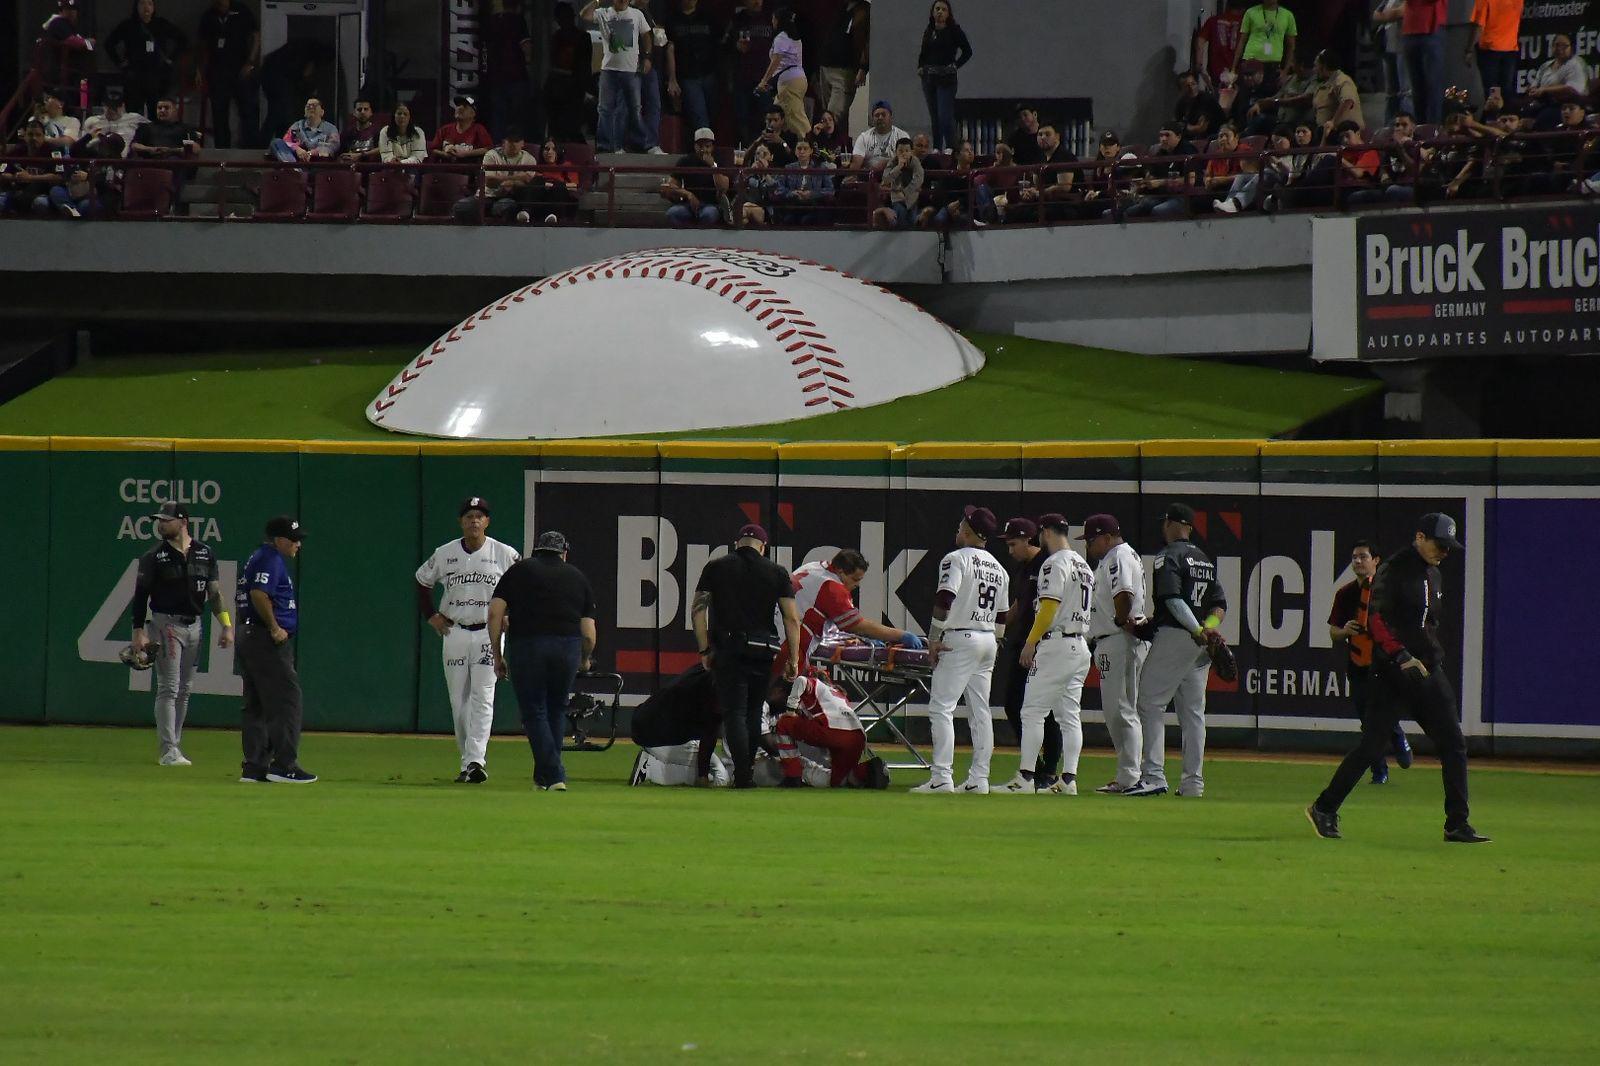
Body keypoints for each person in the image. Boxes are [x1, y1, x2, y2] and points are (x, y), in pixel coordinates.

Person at [1308, 514, 1489, 844]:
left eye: (1449, 547)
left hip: (1427, 671)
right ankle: (1324, 807)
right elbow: (1376, 620)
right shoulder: (1393, 570)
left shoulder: (1434, 573)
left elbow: (1427, 625)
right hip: (1392, 673)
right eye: (1439, 544)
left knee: (1453, 743)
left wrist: (1427, 656)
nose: (1444, 552)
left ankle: (1457, 823)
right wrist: (1401, 655)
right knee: (1372, 746)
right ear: (1419, 537)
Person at [416, 496, 521, 784]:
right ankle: (468, 761)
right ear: (461, 522)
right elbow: (421, 580)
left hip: (489, 632)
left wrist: (511, 613)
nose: (474, 520)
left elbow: (523, 584)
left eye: (479, 516)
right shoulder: (445, 553)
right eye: (469, 516)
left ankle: (476, 760)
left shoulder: (503, 553)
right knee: (458, 700)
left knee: (483, 697)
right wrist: (431, 615)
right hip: (456, 631)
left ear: (487, 522)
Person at [691, 522, 801, 789]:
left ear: (736, 544)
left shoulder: (715, 567)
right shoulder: (777, 572)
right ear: (763, 547)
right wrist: (793, 659)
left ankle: (742, 774)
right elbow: (791, 618)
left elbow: (698, 610)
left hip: (729, 649)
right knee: (753, 712)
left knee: (735, 713)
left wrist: (704, 648)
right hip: (764, 650)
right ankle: (747, 770)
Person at [1129, 502, 1226, 798]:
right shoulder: (1204, 560)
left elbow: (1172, 599)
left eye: (1165, 522)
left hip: (1177, 636)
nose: (1163, 528)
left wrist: (1197, 630)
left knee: (1150, 703)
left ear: (1172, 524)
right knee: (1193, 713)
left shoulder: (1169, 555)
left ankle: (1153, 775)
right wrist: (1209, 627)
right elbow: (1219, 605)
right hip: (1199, 645)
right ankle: (1193, 783)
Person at [489, 531, 597, 792]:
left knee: (534, 711)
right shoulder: (578, 577)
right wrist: (584, 659)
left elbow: (494, 613)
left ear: (536, 550)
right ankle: (543, 777)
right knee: (556, 709)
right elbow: (589, 632)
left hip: (528, 644)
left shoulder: (518, 571)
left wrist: (497, 654)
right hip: (567, 647)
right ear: (564, 553)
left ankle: (554, 774)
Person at [912, 505, 1009, 794]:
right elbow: (1002, 615)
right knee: (980, 712)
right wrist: (995, 643)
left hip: (960, 637)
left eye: (962, 523)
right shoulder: (999, 568)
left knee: (942, 708)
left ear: (967, 530)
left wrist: (933, 638)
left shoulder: (955, 558)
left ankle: (942, 777)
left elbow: (945, 598)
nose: (958, 526)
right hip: (988, 638)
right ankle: (980, 779)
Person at [128, 501, 232, 767]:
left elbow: (214, 594)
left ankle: (175, 745)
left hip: (195, 625)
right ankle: (168, 750)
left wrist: (226, 625)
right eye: (160, 520)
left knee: (185, 689)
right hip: (166, 624)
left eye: (167, 520)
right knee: (169, 687)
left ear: (183, 522)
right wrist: (138, 631)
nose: (161, 525)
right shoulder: (154, 556)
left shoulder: (204, 553)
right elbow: (140, 595)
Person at [997, 514, 1093, 795]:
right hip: (1079, 644)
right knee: (1069, 715)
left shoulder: (1054, 562)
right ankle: (1069, 779)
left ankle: (1026, 778)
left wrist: (1031, 642)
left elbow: (1049, 606)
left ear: (1046, 532)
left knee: (1032, 711)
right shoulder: (1083, 565)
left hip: (1057, 644)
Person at [235, 515, 314, 784]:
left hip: (250, 635)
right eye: (294, 539)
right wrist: (274, 627)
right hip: (264, 639)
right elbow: (258, 594)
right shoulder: (269, 558)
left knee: (257, 704)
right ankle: (284, 765)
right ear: (279, 540)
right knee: (286, 699)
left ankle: (255, 766)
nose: (298, 544)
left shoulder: (259, 557)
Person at [1328, 539, 1412, 786]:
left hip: (1384, 663)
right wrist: (1345, 631)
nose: (1358, 561)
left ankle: (1398, 737)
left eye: (1363, 556)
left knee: (1383, 711)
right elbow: (1333, 632)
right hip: (1358, 664)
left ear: (1376, 561)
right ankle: (1379, 771)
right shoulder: (1345, 594)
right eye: (1354, 557)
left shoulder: (1388, 591)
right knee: (1367, 721)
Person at [1081, 513, 1148, 795]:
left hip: (1119, 639)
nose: (1088, 545)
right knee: (1119, 709)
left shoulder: (1117, 556)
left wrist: (1121, 620)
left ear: (1107, 537)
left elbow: (1124, 594)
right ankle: (1128, 774)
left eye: (1091, 540)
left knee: (1121, 710)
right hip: (1114, 640)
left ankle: (1130, 777)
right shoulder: (1119, 556)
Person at [783, 549, 923, 674]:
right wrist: (900, 635)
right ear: (840, 571)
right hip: (791, 642)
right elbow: (858, 626)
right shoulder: (832, 588)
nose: (857, 585)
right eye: (855, 579)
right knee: (785, 690)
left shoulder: (815, 566)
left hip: (781, 630)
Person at [996, 518, 1059, 783]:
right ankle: (1038, 764)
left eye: (1013, 544)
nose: (1010, 551)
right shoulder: (1023, 569)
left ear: (1027, 539)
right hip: (1022, 642)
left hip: (1041, 644)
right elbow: (1018, 606)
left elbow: (1050, 607)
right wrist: (996, 627)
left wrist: (1034, 643)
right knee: (1013, 704)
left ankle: (1049, 769)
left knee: (1044, 709)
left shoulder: (1047, 563)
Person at [773, 673, 891, 789]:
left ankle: (793, 775)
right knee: (838, 781)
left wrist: (790, 709)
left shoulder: (817, 686)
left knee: (784, 723)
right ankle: (869, 770)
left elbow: (801, 681)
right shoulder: (839, 694)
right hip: (858, 737)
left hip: (832, 730)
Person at [627, 664, 730, 786]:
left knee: (707, 768)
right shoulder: (716, 685)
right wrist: (702, 775)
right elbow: (709, 735)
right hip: (657, 737)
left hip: (642, 722)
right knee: (721, 777)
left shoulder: (702, 670)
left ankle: (653, 760)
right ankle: (651, 767)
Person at [584, 0, 653, 153]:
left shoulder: (636, 14)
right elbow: (585, 15)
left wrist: (647, 56)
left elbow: (646, 35)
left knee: (634, 108)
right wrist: (597, 1)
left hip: (631, 70)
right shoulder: (604, 13)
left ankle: (643, 144)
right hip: (609, 70)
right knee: (604, 109)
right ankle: (605, 146)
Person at [106, 0, 187, 118]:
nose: (146, 7)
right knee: (133, 116)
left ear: (153, 7)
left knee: (156, 115)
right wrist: (120, 62)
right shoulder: (128, 25)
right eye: (142, 3)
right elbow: (109, 44)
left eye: (149, 3)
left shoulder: (161, 24)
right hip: (134, 76)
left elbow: (183, 40)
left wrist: (170, 60)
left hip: (156, 76)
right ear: (137, 6)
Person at [198, 0, 260, 150]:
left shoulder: (242, 10)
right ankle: (222, 152)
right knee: (219, 115)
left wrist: (251, 61)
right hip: (217, 71)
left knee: (248, 112)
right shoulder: (208, 15)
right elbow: (202, 45)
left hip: (240, 69)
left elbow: (256, 35)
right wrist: (200, 70)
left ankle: (250, 151)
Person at [918, 1, 973, 152]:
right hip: (929, 77)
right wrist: (920, 67)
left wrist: (955, 65)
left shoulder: (954, 30)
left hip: (946, 78)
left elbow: (968, 51)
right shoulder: (929, 30)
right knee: (934, 115)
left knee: (945, 115)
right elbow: (923, 52)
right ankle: (937, 146)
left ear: (948, 14)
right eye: (937, 9)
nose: (940, 12)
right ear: (932, 12)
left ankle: (950, 145)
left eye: (943, 9)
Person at [664, 0, 723, 136]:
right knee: (700, 118)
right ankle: (703, 147)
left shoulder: (707, 17)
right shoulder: (672, 19)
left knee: (713, 115)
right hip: (688, 75)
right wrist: (672, 79)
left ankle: (708, 146)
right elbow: (670, 49)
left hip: (709, 73)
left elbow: (719, 43)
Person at [726, 0, 776, 143]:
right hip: (742, 78)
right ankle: (747, 150)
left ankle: (766, 150)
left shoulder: (770, 17)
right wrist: (735, 46)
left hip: (765, 78)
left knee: (766, 117)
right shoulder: (737, 19)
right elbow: (723, 46)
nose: (757, 2)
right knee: (742, 118)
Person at [545, 2, 594, 144]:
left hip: (566, 85)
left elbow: (584, 65)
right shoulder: (579, 37)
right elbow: (585, 65)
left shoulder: (559, 37)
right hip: (567, 86)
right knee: (568, 126)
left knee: (564, 125)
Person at [756, 8, 808, 139]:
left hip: (789, 82)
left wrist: (764, 80)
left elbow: (776, 60)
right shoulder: (794, 36)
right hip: (797, 79)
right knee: (777, 116)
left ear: (779, 20)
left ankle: (809, 145)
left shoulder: (782, 37)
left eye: (774, 18)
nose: (772, 21)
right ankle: (776, 145)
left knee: (796, 118)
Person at [817, 0, 870, 128]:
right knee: (826, 113)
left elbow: (868, 41)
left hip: (845, 69)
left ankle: (829, 139)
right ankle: (830, 139)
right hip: (826, 65)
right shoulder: (841, 8)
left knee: (832, 116)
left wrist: (863, 67)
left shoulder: (864, 11)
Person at [661, 126, 729, 225]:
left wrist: (713, 167)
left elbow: (723, 188)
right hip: (688, 204)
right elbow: (671, 186)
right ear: (695, 146)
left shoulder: (719, 160)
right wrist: (688, 195)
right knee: (672, 213)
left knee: (708, 215)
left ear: (712, 147)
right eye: (700, 146)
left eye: (707, 146)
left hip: (711, 205)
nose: (703, 150)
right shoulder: (686, 161)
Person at [1400, 0, 1447, 124]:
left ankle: (1432, 130)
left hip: (1430, 30)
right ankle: (1420, 129)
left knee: (1432, 88)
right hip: (1412, 30)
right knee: (1417, 88)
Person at [1467, 1, 1520, 108]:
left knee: (1492, 91)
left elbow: (1478, 27)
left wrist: (1469, 49)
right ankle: (1506, 114)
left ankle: (1493, 115)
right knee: (1506, 89)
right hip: (1510, 48)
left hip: (1490, 50)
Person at [1234, 0, 1298, 89]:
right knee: (1247, 94)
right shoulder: (1251, 12)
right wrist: (1233, 68)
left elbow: (1291, 46)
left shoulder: (1287, 15)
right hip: (1251, 61)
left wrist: (1285, 71)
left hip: (1273, 64)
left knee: (1270, 95)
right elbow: (1242, 41)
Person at [483, 127, 540, 221]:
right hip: (488, 196)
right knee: (463, 206)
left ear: (522, 143)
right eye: (510, 141)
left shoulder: (529, 159)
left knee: (507, 206)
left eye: (516, 141)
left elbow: (526, 183)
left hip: (512, 197)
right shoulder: (491, 155)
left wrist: (508, 182)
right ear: (503, 142)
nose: (513, 144)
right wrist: (515, 178)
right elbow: (489, 182)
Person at [774, 137, 834, 224]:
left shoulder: (821, 168)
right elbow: (779, 188)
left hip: (814, 206)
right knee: (788, 220)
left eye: (805, 149)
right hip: (794, 206)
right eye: (799, 149)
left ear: (811, 151)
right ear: (795, 151)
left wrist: (812, 194)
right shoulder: (788, 168)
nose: (802, 152)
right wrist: (792, 193)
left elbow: (830, 189)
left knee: (807, 220)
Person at [1372, 0, 1413, 123]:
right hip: (1388, 48)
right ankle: (1389, 126)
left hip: (1403, 47)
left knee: (1406, 92)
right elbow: (1375, 15)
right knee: (1391, 93)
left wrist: (1388, 15)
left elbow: (1402, 12)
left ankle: (1407, 124)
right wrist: (1389, 15)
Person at [269, 96, 339, 164]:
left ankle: (293, 169)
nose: (310, 107)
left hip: (318, 163)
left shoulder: (331, 128)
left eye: (314, 105)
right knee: (276, 142)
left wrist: (311, 153)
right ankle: (293, 168)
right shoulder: (297, 125)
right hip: (297, 161)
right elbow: (286, 141)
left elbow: (332, 147)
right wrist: (297, 149)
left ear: (322, 112)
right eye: (308, 106)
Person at [872, 137, 923, 228]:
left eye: (907, 151)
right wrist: (898, 167)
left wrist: (905, 192)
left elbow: (918, 179)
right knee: (900, 218)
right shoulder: (892, 162)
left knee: (913, 221)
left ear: (911, 152)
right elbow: (885, 180)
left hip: (912, 198)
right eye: (900, 151)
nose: (904, 154)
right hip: (897, 198)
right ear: (896, 152)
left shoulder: (915, 162)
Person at [1312, 49, 1362, 141]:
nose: (1314, 70)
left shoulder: (1342, 80)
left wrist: (1333, 122)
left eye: (1316, 65)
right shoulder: (1323, 83)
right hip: (1324, 134)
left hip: (1342, 135)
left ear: (1324, 66)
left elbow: (1348, 101)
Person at [849, 100, 909, 173]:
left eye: (883, 115)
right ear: (872, 119)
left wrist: (885, 164)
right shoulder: (864, 137)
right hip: (869, 176)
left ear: (891, 117)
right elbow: (856, 163)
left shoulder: (902, 136)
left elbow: (906, 160)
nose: (880, 118)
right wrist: (852, 175)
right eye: (877, 115)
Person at [430, 95, 492, 162]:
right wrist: (445, 154)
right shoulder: (444, 129)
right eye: (458, 105)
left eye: (465, 106)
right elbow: (433, 149)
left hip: (469, 167)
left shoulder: (479, 129)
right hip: (446, 167)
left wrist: (464, 154)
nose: (460, 108)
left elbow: (488, 149)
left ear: (473, 113)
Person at [1175, 69, 1227, 140]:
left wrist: (1186, 127)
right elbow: (1178, 125)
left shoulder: (1206, 99)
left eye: (1193, 84)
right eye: (1187, 86)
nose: (1191, 88)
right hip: (1192, 137)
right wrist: (1185, 127)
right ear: (1180, 89)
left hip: (1212, 135)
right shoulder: (1181, 103)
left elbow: (1201, 128)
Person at [737, 142, 780, 224]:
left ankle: (732, 217)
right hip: (747, 208)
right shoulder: (749, 173)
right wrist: (750, 172)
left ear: (771, 157)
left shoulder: (777, 174)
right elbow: (737, 185)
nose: (760, 156)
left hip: (765, 211)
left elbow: (775, 193)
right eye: (758, 153)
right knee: (743, 220)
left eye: (764, 154)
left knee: (745, 208)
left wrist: (765, 172)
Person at [338, 97, 381, 162]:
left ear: (371, 112)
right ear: (354, 113)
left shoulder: (378, 131)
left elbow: (383, 149)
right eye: (359, 109)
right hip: (351, 166)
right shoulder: (346, 133)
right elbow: (340, 154)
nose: (362, 112)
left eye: (366, 109)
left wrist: (361, 155)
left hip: (371, 166)